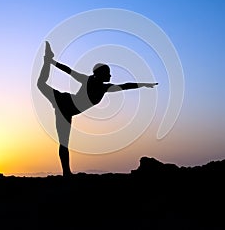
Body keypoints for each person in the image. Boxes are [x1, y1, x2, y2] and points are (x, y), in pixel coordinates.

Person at [37, 41, 158, 177]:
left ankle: (66, 172)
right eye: (108, 73)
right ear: (100, 74)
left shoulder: (104, 87)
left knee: (63, 142)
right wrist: (53, 63)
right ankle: (47, 59)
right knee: (41, 84)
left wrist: (143, 84)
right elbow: (69, 71)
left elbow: (125, 85)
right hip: (64, 103)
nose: (110, 76)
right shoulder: (88, 80)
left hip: (66, 109)